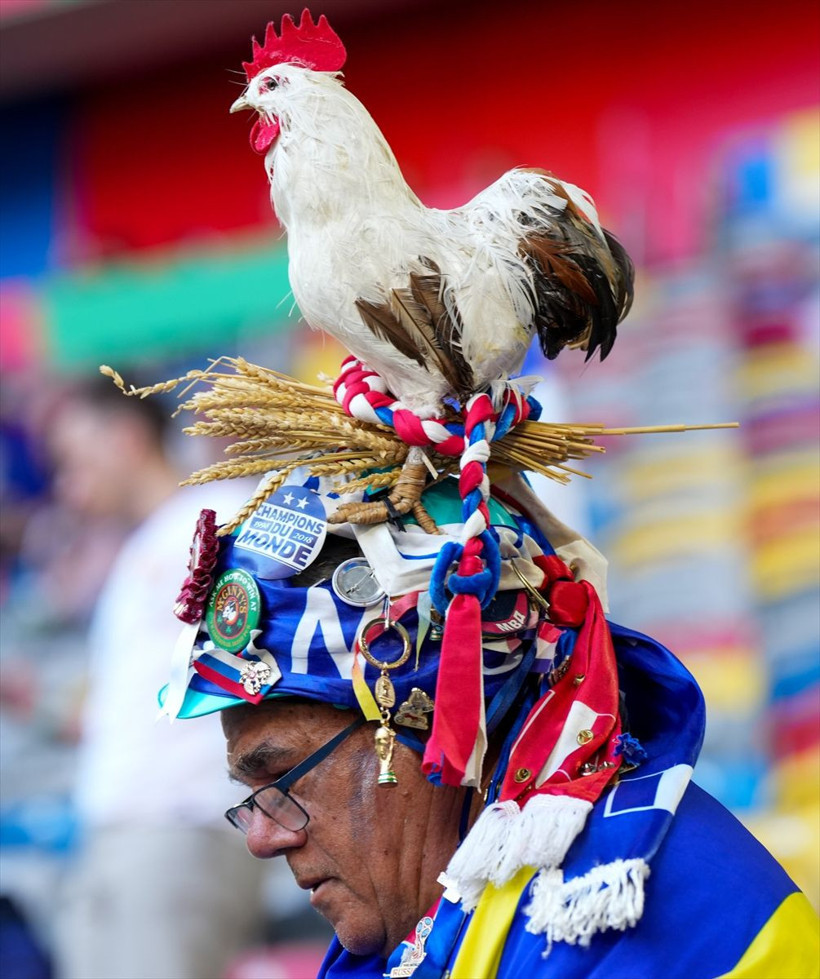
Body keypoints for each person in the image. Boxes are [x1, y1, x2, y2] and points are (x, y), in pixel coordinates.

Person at [159, 458, 819, 979]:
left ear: (418, 720)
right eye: (251, 800)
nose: (262, 837)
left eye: (281, 779)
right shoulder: (415, 922)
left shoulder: (621, 908)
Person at [49, 380, 265, 979]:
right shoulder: (155, 537)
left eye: (74, 460)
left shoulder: (215, 519)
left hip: (180, 827)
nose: (68, 485)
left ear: (124, 437)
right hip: (124, 829)